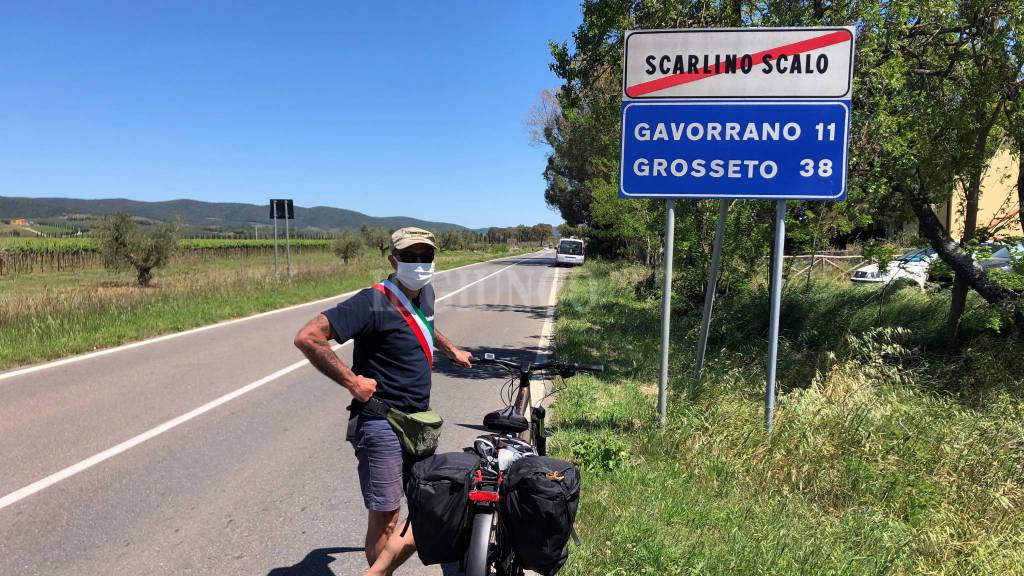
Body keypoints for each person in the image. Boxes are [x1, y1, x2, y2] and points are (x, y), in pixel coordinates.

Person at [293, 227, 473, 575]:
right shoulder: (371, 301)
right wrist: (351, 382)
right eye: (410, 257)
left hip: (417, 421)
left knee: (428, 501)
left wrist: (450, 349)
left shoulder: (426, 293)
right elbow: (308, 338)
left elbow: (423, 324)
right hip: (382, 422)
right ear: (393, 260)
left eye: (426, 257)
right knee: (388, 517)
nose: (419, 263)